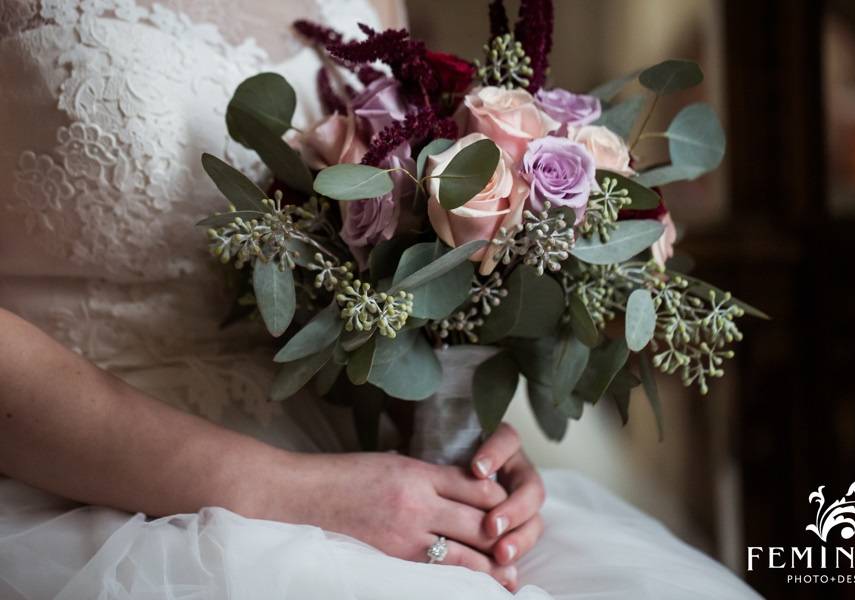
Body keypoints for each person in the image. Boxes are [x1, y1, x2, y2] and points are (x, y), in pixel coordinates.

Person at [0, 1, 761, 597]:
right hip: (77, 481)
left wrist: (455, 443)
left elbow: (384, 268)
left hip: (357, 462)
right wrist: (287, 492)